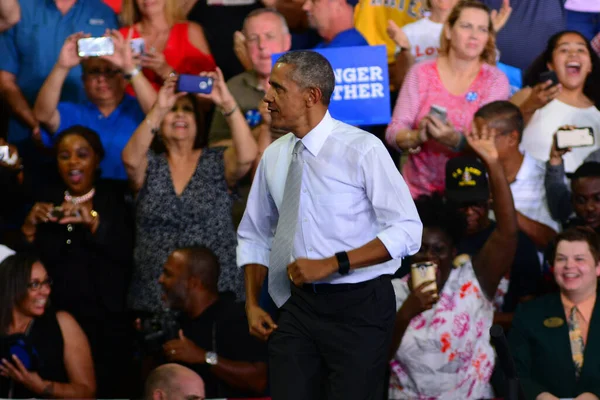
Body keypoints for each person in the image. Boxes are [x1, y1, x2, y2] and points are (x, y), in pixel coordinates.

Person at [237, 50, 423, 400]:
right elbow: (255, 233)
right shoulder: (275, 154)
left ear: (311, 95)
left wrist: (334, 263)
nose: (267, 97)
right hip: (297, 305)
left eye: (277, 88)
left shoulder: (363, 149)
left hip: (360, 306)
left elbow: (407, 231)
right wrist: (251, 302)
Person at [388, 122, 518, 399]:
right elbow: (374, 359)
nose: (429, 257)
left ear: (453, 249)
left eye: (439, 249)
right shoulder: (394, 293)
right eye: (421, 249)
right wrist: (406, 313)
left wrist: (493, 163)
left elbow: (507, 232)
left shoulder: (472, 281)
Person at [123, 69, 258, 312]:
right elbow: (131, 160)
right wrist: (159, 108)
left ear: (198, 121)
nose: (179, 115)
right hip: (156, 294)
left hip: (214, 295)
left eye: (187, 110)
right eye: (173, 110)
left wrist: (226, 102)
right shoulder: (151, 164)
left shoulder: (216, 161)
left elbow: (247, 155)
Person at [20, 126, 134, 398]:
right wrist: (28, 228)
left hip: (108, 321)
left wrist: (94, 222)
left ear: (96, 159)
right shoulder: (45, 199)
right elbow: (26, 265)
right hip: (58, 319)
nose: (73, 162)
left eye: (82, 155)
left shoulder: (116, 197)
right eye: (64, 156)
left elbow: (127, 252)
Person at [385, 0, 510, 198]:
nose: (474, 36)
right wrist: (417, 136)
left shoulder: (495, 80)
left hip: (470, 197)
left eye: (482, 29)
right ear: (449, 31)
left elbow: (494, 145)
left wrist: (456, 140)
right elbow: (394, 131)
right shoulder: (421, 72)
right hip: (417, 194)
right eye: (466, 26)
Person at [0, 0, 118, 176]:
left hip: (88, 139)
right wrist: (37, 126)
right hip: (26, 134)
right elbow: (5, 81)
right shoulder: (18, 11)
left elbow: (115, 74)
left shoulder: (104, 13)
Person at [34, 30, 156, 181]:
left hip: (132, 194)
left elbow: (160, 115)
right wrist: (62, 66)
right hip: (83, 195)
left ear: (124, 79)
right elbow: (42, 115)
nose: (101, 79)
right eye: (94, 72)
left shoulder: (139, 110)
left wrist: (129, 67)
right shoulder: (72, 112)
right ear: (84, 80)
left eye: (110, 72)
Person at [158, 247, 268, 398]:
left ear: (193, 283)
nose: (160, 280)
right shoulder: (177, 322)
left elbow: (259, 380)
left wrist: (204, 357)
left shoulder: (237, 318)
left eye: (168, 274)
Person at [509, 227, 600, 400]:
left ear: (598, 267)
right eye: (561, 259)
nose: (569, 266)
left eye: (579, 259)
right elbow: (512, 371)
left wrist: (595, 395)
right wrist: (540, 396)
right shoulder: (529, 314)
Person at [444, 156, 540, 318]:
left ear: (489, 200)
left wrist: (480, 322)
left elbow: (529, 314)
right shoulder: (435, 244)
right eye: (461, 205)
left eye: (477, 204)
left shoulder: (518, 244)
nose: (469, 212)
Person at [0, 253, 95, 398]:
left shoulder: (63, 323)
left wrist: (41, 387)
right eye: (35, 284)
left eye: (46, 282)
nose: (46, 291)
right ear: (13, 288)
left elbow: (87, 393)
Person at [513, 31, 600, 173]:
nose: (573, 54)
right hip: (531, 191)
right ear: (550, 65)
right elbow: (500, 137)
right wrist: (529, 107)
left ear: (590, 66)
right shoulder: (529, 96)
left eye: (581, 50)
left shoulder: (597, 111)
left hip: (582, 193)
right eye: (564, 49)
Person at [476, 100, 559, 249]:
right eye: (473, 135)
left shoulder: (545, 176)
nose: (476, 144)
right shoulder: (474, 176)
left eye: (484, 137)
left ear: (512, 138)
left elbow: (552, 242)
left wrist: (502, 205)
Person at [208, 8, 292, 148]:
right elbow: (216, 148)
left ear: (287, 41)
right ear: (245, 45)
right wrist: (261, 129)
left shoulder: (308, 81)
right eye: (253, 38)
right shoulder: (234, 88)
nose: (262, 45)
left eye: (269, 36)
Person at [387, 0, 511, 89]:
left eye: (481, 29)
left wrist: (487, 35)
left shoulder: (476, 34)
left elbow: (488, 77)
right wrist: (404, 48)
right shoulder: (408, 32)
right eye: (466, 26)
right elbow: (402, 84)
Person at [119, 0, 216, 94]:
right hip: (132, 109)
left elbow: (208, 87)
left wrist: (167, 72)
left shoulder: (191, 32)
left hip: (180, 108)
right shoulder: (122, 37)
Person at [546, 161, 600, 232]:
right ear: (572, 201)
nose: (589, 208)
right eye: (581, 201)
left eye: (598, 198)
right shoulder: (569, 237)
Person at [303, 0, 368, 48]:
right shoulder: (323, 47)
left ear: (338, 5)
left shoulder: (352, 52)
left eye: (314, 1)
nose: (305, 7)